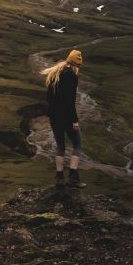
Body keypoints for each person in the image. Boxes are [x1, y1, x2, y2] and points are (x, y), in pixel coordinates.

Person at [41, 50, 86, 189]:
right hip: (66, 116)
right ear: (76, 64)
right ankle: (73, 177)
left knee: (60, 146)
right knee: (77, 143)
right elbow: (69, 101)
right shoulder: (71, 75)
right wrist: (74, 120)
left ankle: (59, 178)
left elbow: (49, 98)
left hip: (54, 116)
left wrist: (51, 113)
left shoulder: (54, 73)